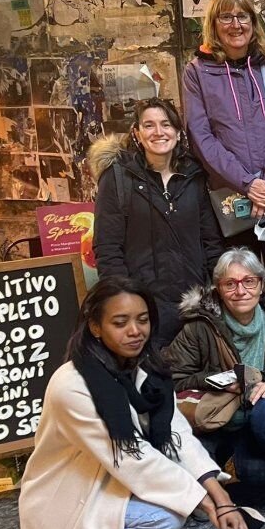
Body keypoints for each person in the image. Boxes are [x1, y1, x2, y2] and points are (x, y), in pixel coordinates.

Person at [9, 278, 253, 529]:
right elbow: (133, 459)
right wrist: (208, 506)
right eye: (120, 322)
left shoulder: (145, 368)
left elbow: (176, 434)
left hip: (114, 479)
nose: (135, 331)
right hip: (71, 495)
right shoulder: (72, 385)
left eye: (142, 319)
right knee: (166, 517)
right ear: (95, 326)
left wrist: (221, 496)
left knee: (174, 499)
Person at [183, 0, 265, 299]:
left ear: (253, 22)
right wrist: (249, 184)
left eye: (242, 16)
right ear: (214, 23)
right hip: (231, 198)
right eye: (226, 17)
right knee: (240, 287)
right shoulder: (196, 72)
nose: (235, 24)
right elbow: (201, 136)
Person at [91, 97, 222, 346]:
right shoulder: (118, 178)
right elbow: (107, 248)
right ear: (137, 133)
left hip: (194, 306)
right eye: (149, 125)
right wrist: (127, 301)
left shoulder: (194, 176)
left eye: (166, 124)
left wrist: (216, 294)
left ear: (178, 131)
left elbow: (211, 241)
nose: (159, 132)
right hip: (144, 310)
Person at [165, 249, 265, 501]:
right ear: (218, 289)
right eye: (230, 284)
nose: (240, 291)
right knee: (189, 470)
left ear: (261, 285)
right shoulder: (201, 325)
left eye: (249, 281)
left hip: (256, 419)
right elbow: (171, 378)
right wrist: (216, 380)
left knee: (258, 473)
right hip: (212, 418)